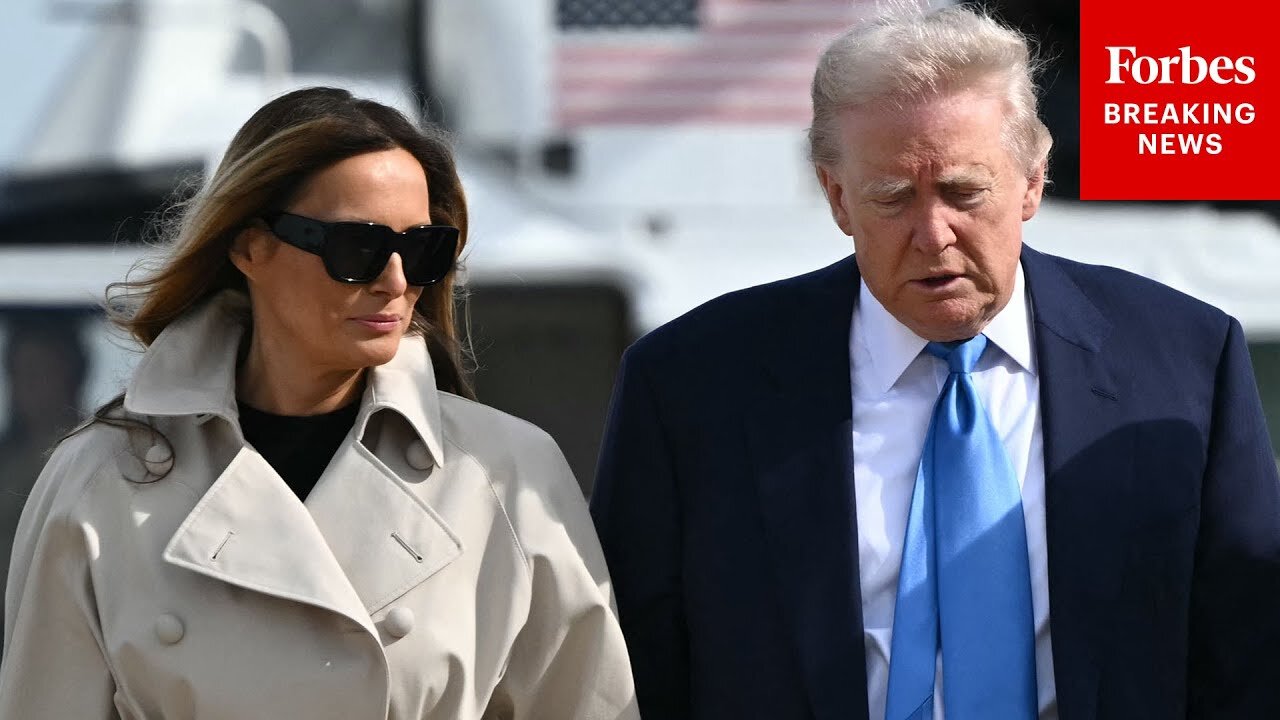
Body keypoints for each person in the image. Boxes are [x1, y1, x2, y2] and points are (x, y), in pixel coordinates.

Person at [591, 6, 1280, 720]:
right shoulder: (690, 386)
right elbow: (630, 671)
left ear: (1033, 182)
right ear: (837, 198)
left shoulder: (1185, 361)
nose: (932, 233)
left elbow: (1248, 657)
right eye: (891, 197)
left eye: (964, 192)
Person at [0, 87, 638, 720]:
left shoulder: (508, 473)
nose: (395, 280)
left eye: (423, 250)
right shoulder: (99, 478)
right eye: (356, 248)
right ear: (251, 247)